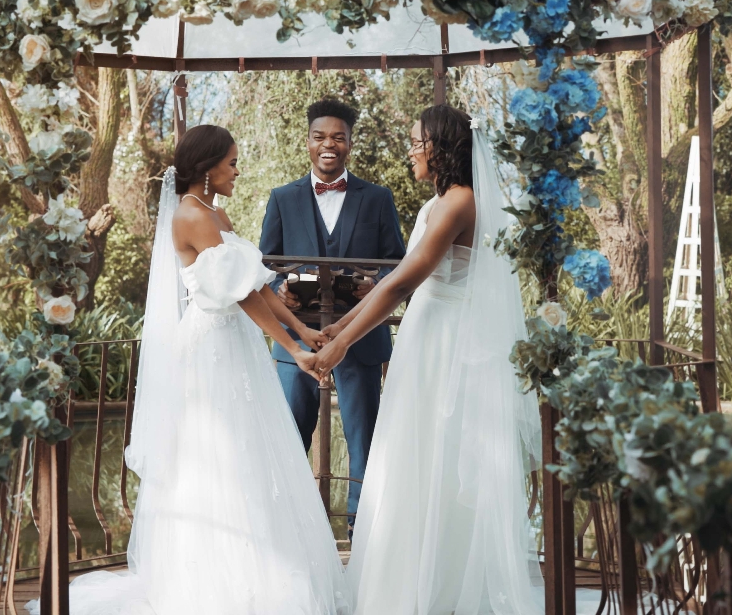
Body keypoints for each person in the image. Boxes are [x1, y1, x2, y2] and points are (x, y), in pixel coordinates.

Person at [46, 125, 351, 615]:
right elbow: (240, 294)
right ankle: (224, 582)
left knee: (255, 451)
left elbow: (257, 281)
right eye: (231, 162)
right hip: (212, 347)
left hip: (236, 345)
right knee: (220, 457)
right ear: (209, 168)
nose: (237, 169)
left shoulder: (214, 211)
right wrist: (294, 350)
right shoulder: (191, 215)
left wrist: (304, 329)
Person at [313, 105, 544, 614]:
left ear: (440, 147)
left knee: (437, 461)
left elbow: (401, 283)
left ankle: (437, 592)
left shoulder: (460, 201)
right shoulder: (439, 201)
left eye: (416, 142)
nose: (410, 151)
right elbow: (398, 282)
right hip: (425, 339)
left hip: (448, 348)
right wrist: (341, 326)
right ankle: (403, 585)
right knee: (410, 460)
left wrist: (342, 343)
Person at [258, 99, 407, 538]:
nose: (329, 145)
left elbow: (396, 263)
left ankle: (364, 534)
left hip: (360, 335)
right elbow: (266, 265)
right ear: (308, 142)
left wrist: (374, 284)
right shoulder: (281, 198)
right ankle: (288, 529)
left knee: (363, 437)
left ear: (349, 143)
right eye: (321, 136)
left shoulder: (378, 198)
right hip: (296, 336)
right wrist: (277, 289)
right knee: (289, 435)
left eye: (338, 137)